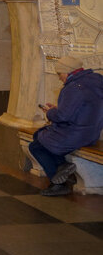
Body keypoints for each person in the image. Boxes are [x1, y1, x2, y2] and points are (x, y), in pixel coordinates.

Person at [29, 53, 103, 196]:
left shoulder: (73, 88)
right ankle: (61, 167)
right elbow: (81, 109)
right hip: (91, 131)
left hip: (76, 133)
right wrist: (57, 109)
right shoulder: (96, 79)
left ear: (67, 72)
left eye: (60, 74)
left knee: (36, 146)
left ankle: (58, 182)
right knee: (40, 136)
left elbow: (63, 116)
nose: (59, 77)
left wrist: (50, 113)